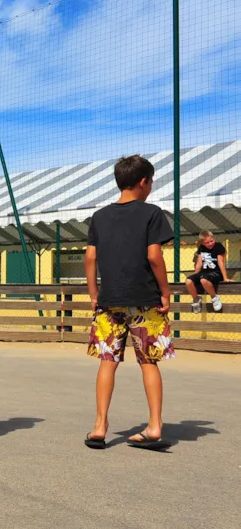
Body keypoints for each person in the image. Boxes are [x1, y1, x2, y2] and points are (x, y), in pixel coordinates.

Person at [84, 155, 174, 451]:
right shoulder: (152, 213)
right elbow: (154, 256)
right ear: (144, 182)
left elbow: (90, 258)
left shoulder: (99, 216)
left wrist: (94, 293)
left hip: (109, 302)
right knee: (149, 362)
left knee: (107, 361)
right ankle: (155, 426)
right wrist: (165, 291)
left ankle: (99, 426)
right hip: (145, 300)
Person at [185, 230, 228, 313]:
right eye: (207, 243)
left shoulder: (219, 246)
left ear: (214, 238)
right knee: (188, 281)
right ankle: (196, 299)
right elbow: (199, 263)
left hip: (215, 272)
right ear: (202, 243)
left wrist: (225, 277)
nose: (210, 243)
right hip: (204, 272)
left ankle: (214, 297)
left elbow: (221, 262)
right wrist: (196, 274)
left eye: (211, 241)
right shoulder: (201, 248)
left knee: (203, 280)